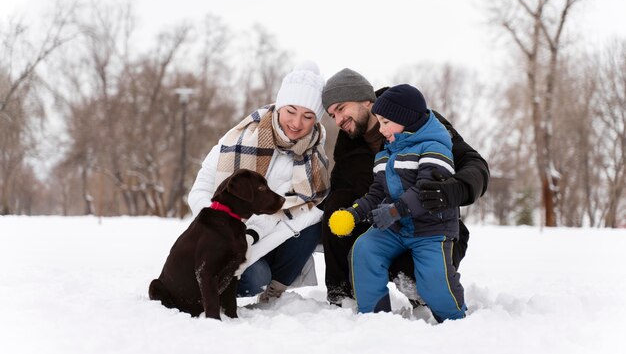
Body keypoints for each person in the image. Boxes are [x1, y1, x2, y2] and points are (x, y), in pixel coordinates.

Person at [321, 68, 489, 306]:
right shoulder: (347, 144)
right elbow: (340, 198)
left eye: (341, 109)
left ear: (366, 101)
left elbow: (473, 162)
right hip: (386, 226)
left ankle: (431, 296)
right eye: (332, 115)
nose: (338, 120)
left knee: (415, 279)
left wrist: (458, 188)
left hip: (432, 223)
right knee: (337, 206)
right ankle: (343, 293)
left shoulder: (415, 117)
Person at [188, 61, 330, 303]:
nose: (296, 124)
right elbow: (200, 190)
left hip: (270, 238)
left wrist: (250, 241)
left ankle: (275, 290)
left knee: (314, 219)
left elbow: (300, 214)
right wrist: (219, 227)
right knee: (254, 277)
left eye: (308, 116)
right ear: (278, 107)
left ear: (316, 120)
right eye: (291, 111)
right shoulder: (237, 139)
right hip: (223, 233)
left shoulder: (314, 160)